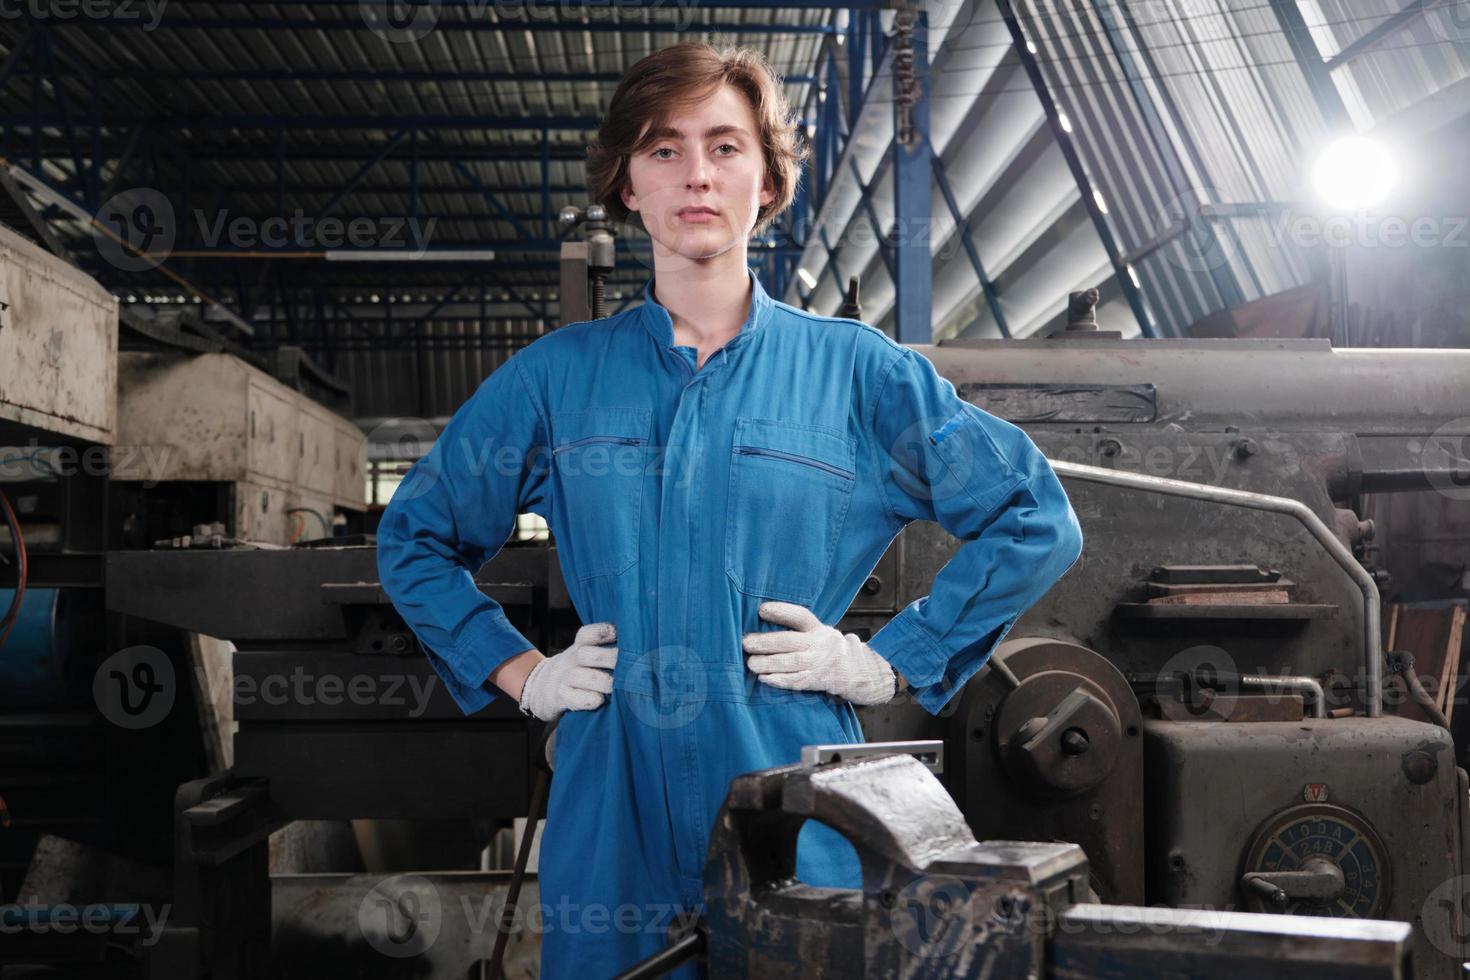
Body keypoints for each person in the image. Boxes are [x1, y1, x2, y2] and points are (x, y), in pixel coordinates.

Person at [375, 42, 1083, 977]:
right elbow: (415, 538)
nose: (696, 175)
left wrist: (884, 661)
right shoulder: (555, 380)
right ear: (628, 185)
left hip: (793, 792)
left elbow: (1035, 517)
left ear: (769, 179)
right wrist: (522, 673)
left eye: (725, 146)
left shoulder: (860, 375)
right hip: (609, 798)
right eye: (663, 150)